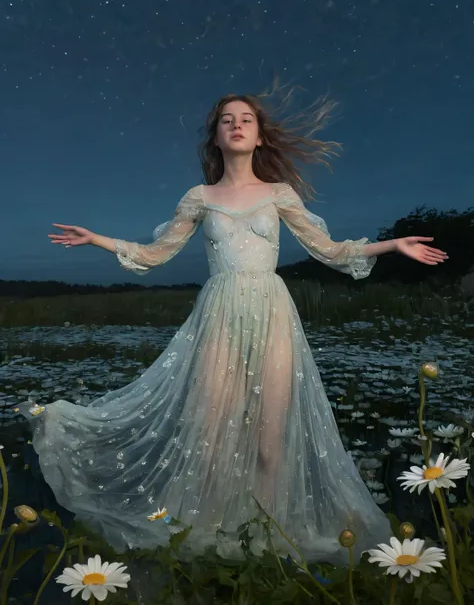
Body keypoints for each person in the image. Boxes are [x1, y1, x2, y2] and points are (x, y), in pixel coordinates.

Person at [18, 93, 447, 565]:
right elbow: (153, 254)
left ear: (259, 136)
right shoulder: (199, 198)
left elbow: (330, 250)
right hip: (220, 311)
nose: (237, 125)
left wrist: (393, 245)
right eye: (227, 120)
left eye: (246, 120)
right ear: (216, 136)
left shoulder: (279, 193)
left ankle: (263, 537)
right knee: (209, 429)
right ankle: (206, 536)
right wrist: (96, 238)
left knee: (270, 441)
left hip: (273, 310)